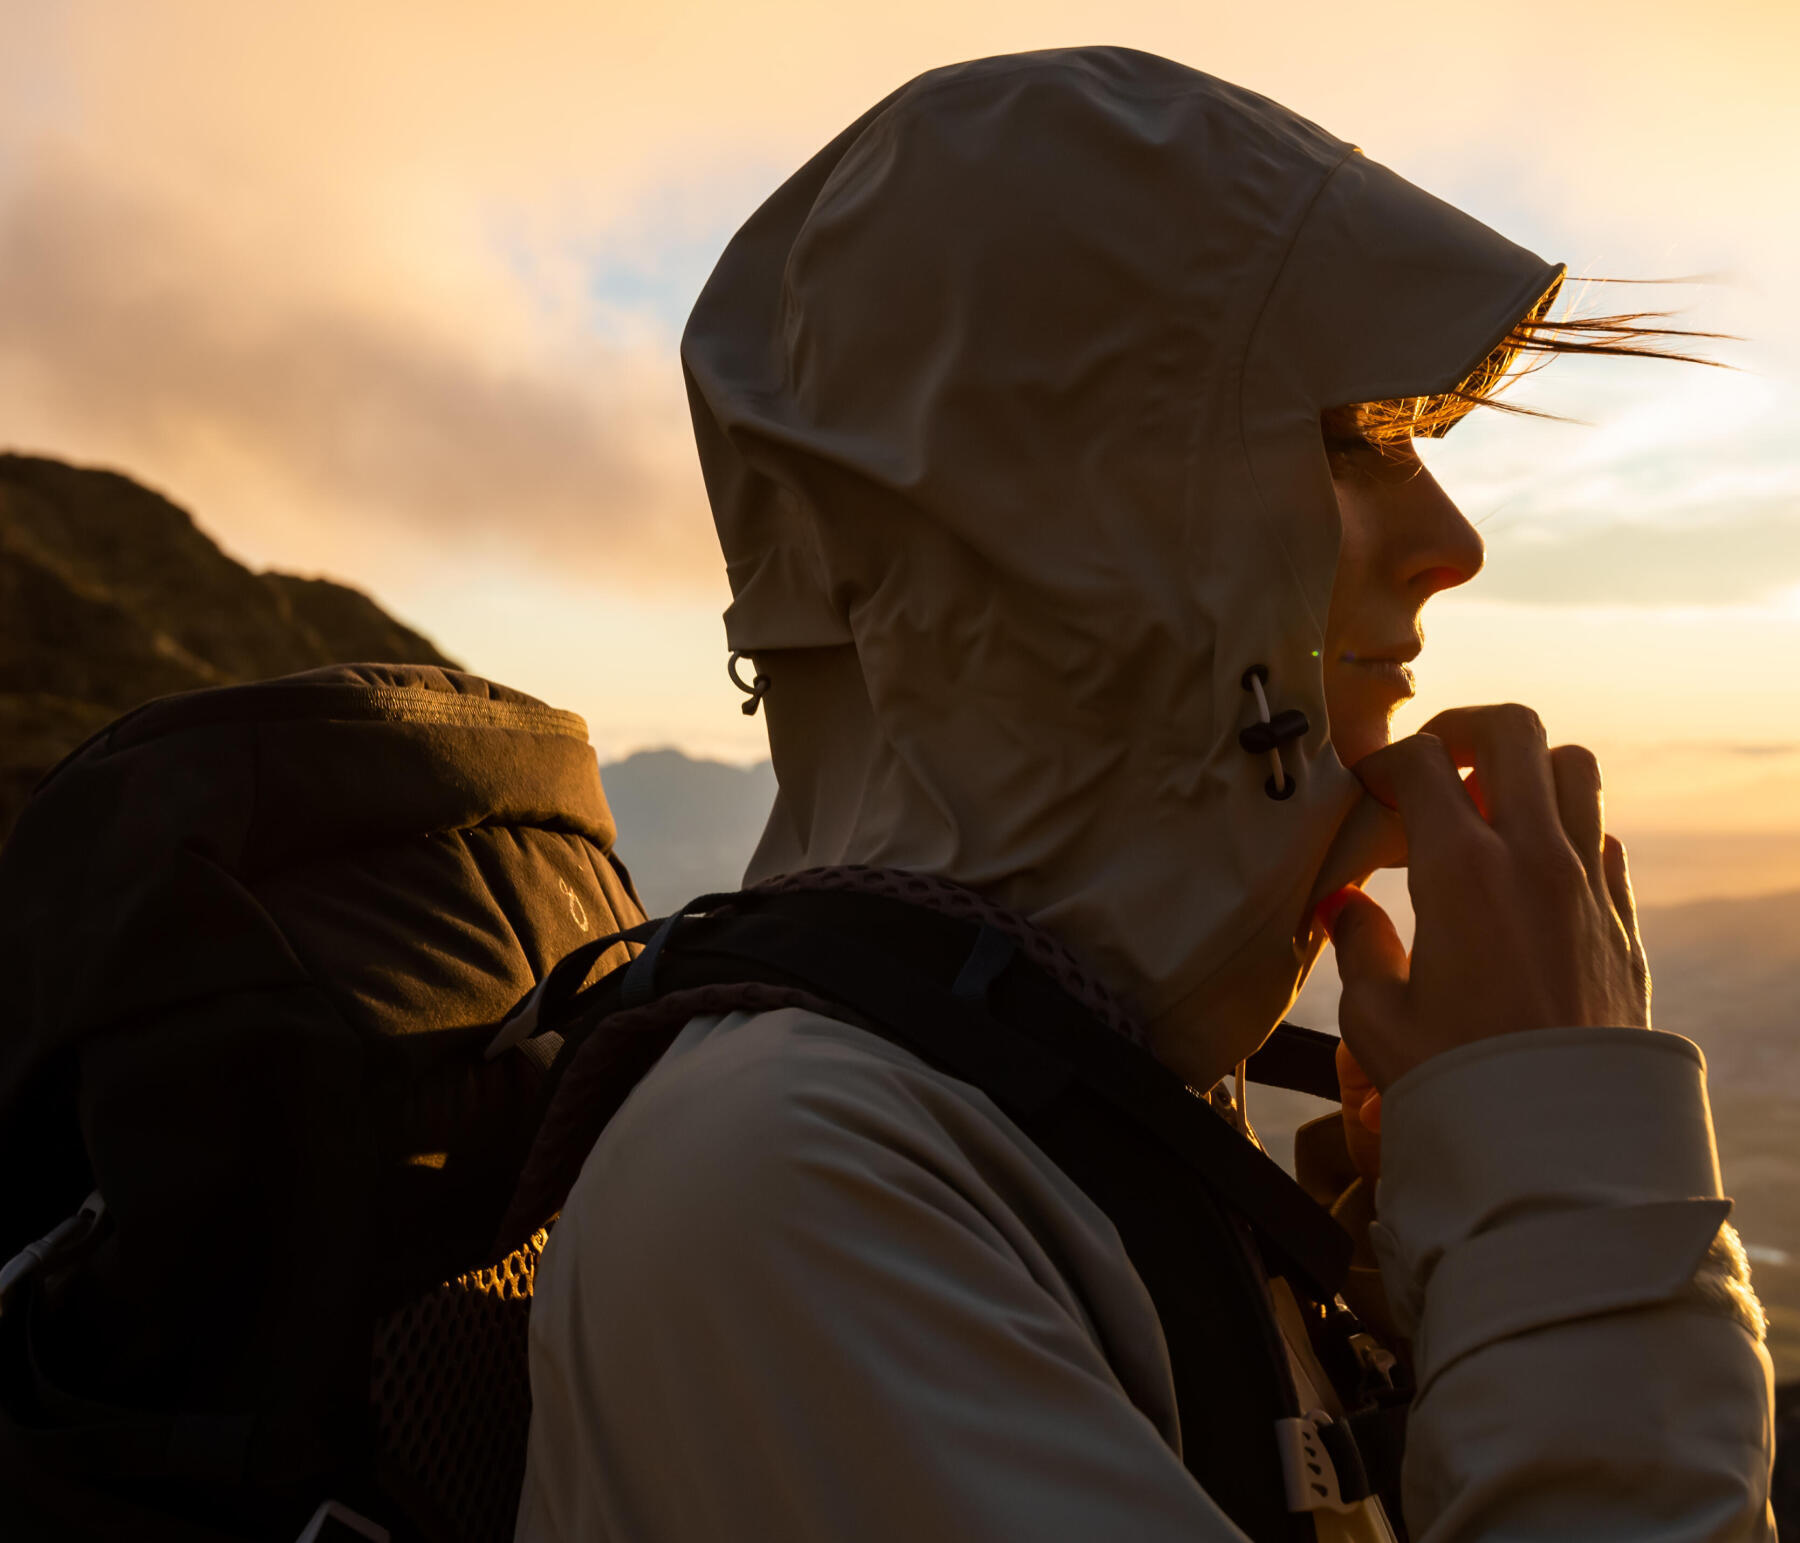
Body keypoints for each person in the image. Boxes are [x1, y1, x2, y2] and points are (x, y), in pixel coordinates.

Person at [515, 46, 1774, 1541]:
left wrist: (1456, 1274)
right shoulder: (795, 1187)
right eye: (1346, 440)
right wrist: (1566, 1182)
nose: (1452, 543)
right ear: (1071, 532)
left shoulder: (1047, 1097)